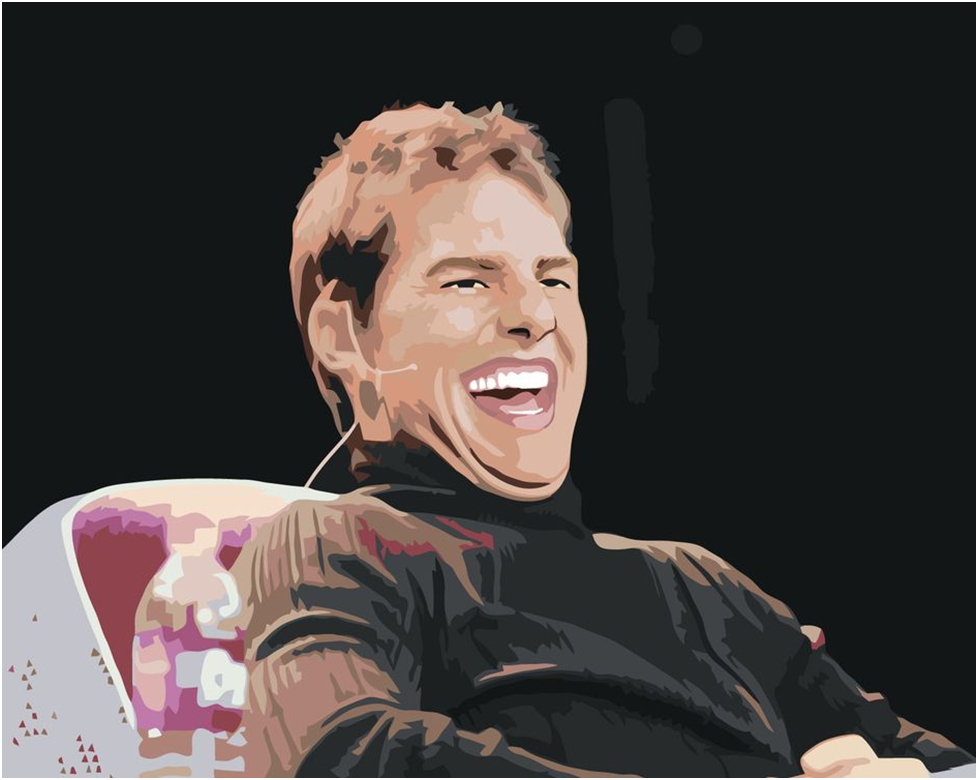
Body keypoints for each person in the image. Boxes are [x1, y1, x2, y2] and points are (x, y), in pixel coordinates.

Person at [219, 100, 976, 777]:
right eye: (467, 281)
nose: (535, 315)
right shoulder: (335, 544)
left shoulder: (703, 586)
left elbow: (932, 761)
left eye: (554, 279)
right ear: (345, 336)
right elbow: (342, 754)